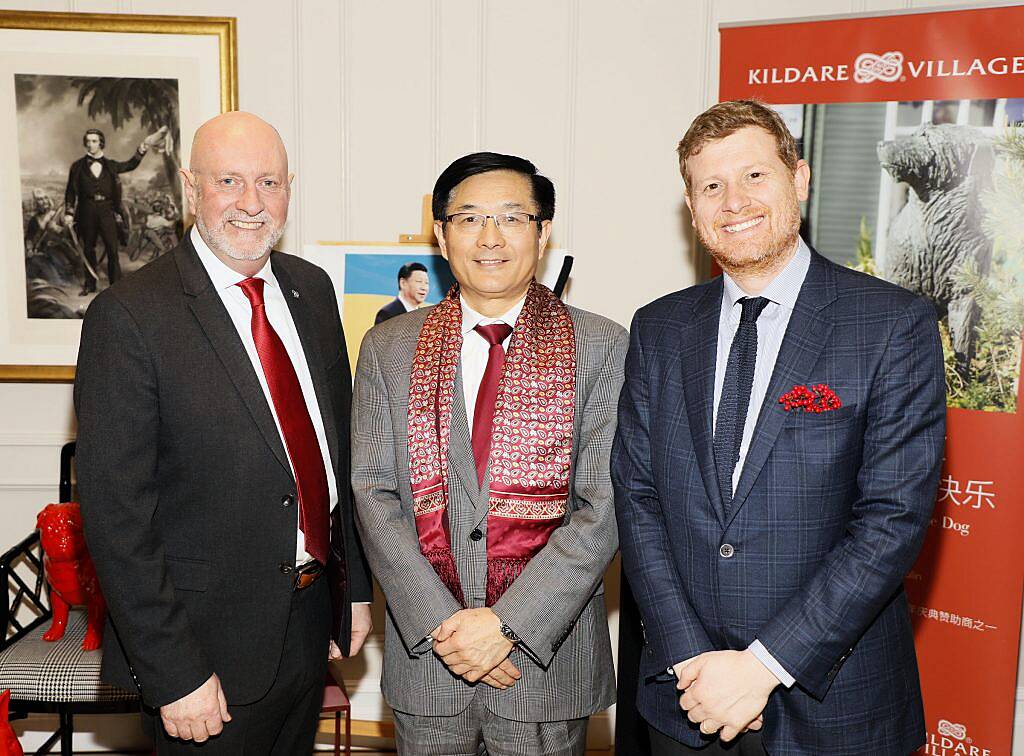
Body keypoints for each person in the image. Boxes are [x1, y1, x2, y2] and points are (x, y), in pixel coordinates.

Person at [612, 100, 945, 755]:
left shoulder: (889, 325)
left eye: (754, 176)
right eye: (711, 185)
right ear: (691, 206)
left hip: (836, 708)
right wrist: (689, 658)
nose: (733, 200)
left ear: (800, 179)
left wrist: (762, 667)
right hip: (688, 699)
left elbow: (890, 520)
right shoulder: (659, 328)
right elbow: (639, 496)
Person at [75, 111, 372, 753]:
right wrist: (173, 671)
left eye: (269, 182)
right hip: (202, 655)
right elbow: (117, 519)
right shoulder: (128, 318)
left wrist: (353, 592)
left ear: (290, 188)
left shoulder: (311, 292)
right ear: (190, 188)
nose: (250, 203)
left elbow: (333, 455)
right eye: (229, 181)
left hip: (307, 621)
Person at [352, 152, 625, 755]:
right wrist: (443, 627)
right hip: (430, 661)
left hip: (545, 665)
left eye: (512, 217)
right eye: (470, 218)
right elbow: (373, 494)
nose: (491, 238)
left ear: (544, 231)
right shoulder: (388, 347)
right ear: (441, 234)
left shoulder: (603, 344)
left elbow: (602, 503)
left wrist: (508, 628)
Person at [64, 126, 165, 294]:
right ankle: (90, 284)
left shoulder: (111, 166)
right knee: (88, 248)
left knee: (112, 248)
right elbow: (70, 191)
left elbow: (130, 164)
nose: (90, 145)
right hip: (86, 212)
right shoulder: (77, 167)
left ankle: (116, 287)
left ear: (101, 143)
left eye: (94, 141)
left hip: (107, 212)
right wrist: (68, 213)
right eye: (88, 141)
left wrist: (143, 148)